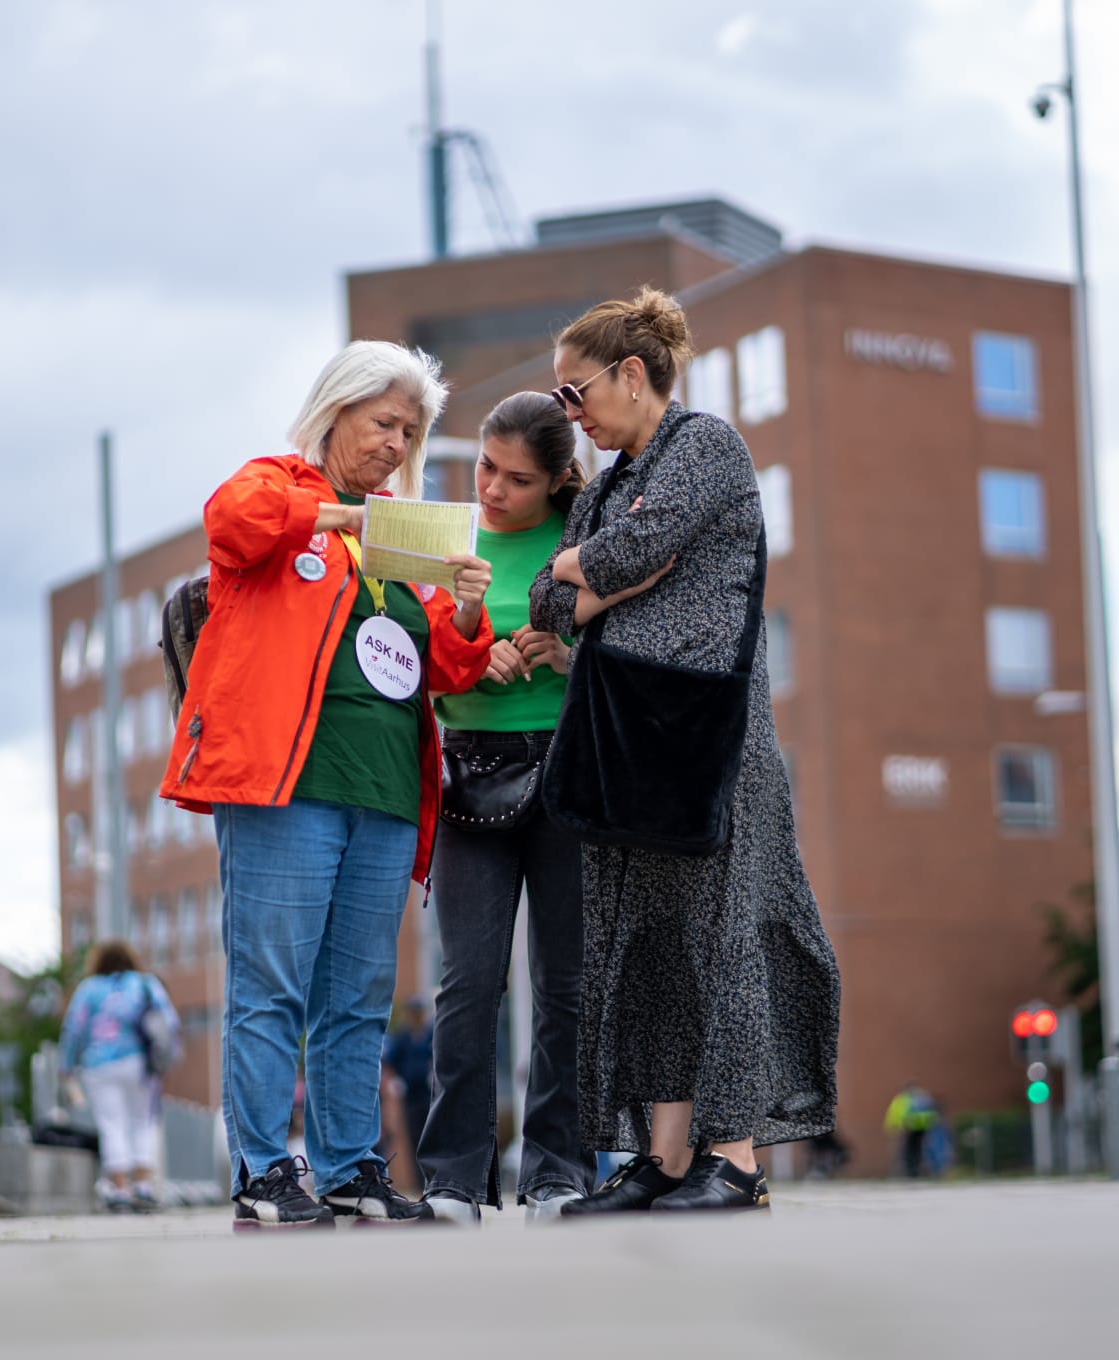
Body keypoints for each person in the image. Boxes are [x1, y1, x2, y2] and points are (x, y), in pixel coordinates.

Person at [158, 340, 494, 1229]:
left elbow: (445, 666)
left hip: (383, 789)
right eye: (384, 422)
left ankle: (350, 1168)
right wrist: (337, 516)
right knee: (271, 985)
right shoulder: (279, 486)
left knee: (357, 998)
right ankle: (265, 1168)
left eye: (410, 431)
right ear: (336, 410)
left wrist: (462, 606)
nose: (395, 443)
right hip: (285, 783)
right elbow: (231, 521)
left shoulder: (397, 528)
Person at [530, 287, 841, 1214]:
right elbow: (554, 604)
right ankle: (666, 1159)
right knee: (648, 945)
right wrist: (589, 569)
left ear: (633, 374)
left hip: (711, 739)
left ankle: (736, 1160)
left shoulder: (705, 444)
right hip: (625, 740)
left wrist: (597, 571)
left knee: (720, 935)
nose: (569, 416)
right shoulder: (613, 485)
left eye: (575, 394)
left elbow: (647, 548)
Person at [417, 391, 596, 1225]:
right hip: (469, 773)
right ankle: (453, 1177)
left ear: (558, 481)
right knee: (469, 982)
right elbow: (408, 662)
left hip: (568, 774)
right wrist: (465, 658)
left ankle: (557, 1171)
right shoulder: (448, 540)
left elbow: (628, 651)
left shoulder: (584, 540)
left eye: (516, 479)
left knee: (564, 985)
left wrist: (567, 653)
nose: (491, 489)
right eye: (486, 467)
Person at [58, 939, 180, 1213]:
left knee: (111, 1123)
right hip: (140, 1063)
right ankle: (144, 1187)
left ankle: (120, 1188)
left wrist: (65, 1066)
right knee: (143, 1122)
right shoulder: (146, 984)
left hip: (99, 1064)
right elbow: (169, 1021)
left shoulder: (89, 989)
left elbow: (73, 1029)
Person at [383, 995, 434, 1182]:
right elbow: (391, 1062)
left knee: (430, 1135)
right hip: (411, 1096)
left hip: (429, 1094)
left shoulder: (431, 1034)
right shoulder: (403, 1037)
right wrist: (396, 1081)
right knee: (414, 1138)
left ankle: (433, 1178)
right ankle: (418, 1181)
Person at [884, 1080, 939, 1178]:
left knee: (909, 1150)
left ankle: (912, 1171)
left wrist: (893, 1127)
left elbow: (897, 1114)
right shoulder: (924, 1097)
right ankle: (924, 1170)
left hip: (910, 1126)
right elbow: (933, 1110)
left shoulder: (904, 1099)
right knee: (921, 1149)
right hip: (924, 1127)